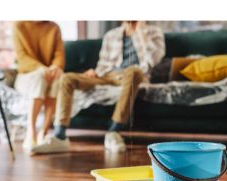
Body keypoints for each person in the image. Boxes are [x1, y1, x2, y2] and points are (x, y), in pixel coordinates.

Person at [31, 21, 165, 155]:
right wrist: (95, 72)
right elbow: (103, 63)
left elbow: (153, 60)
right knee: (67, 78)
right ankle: (60, 136)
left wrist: (141, 33)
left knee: (134, 71)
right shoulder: (111, 35)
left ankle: (113, 131)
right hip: (107, 75)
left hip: (132, 75)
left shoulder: (153, 32)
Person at [13, 21, 65, 152]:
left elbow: (59, 55)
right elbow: (22, 57)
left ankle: (44, 131)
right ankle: (31, 133)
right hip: (26, 75)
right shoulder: (19, 25)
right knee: (39, 77)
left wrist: (55, 67)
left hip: (49, 74)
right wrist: (41, 68)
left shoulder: (54, 27)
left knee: (60, 79)